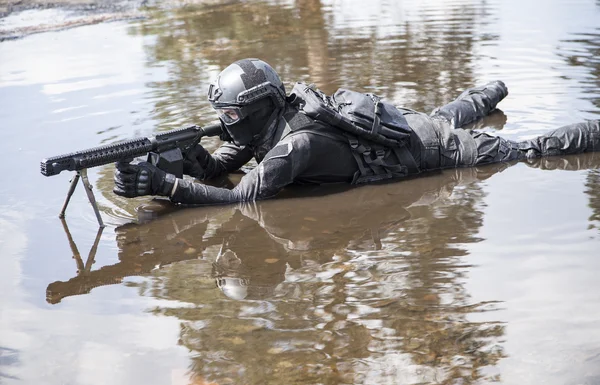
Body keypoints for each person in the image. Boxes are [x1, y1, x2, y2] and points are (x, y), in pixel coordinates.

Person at [113, 58, 600, 205]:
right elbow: (223, 167)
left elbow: (244, 199)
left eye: (233, 115)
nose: (228, 124)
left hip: (436, 151)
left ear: (260, 107)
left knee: (528, 151)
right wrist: (187, 156)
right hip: (408, 129)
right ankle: (493, 89)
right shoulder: (271, 120)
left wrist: (166, 185)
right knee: (441, 115)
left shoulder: (293, 144)